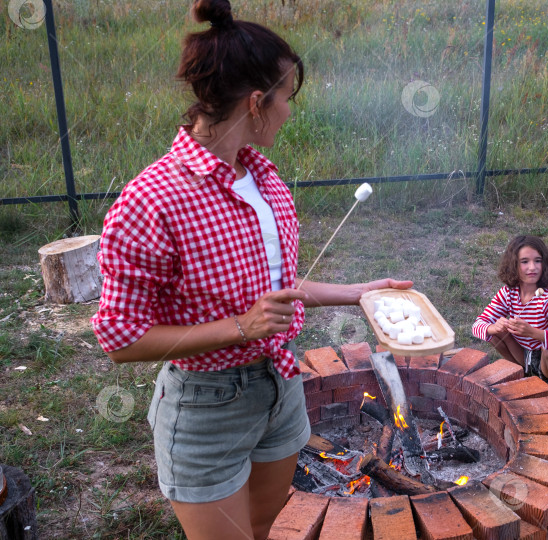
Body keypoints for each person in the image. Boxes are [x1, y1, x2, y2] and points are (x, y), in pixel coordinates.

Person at [90, 2, 411, 538]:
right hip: (205, 408)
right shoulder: (152, 200)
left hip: (280, 390)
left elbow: (273, 294)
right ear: (257, 103)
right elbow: (121, 339)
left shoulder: (263, 180)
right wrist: (243, 326)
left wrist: (359, 293)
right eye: (288, 98)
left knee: (261, 529)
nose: (290, 111)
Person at [472, 235, 548, 396]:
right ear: (513, 265)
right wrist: (492, 327)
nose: (533, 267)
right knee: (495, 332)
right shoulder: (508, 293)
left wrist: (532, 333)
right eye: (525, 262)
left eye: (538, 260)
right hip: (527, 357)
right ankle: (521, 372)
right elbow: (477, 326)